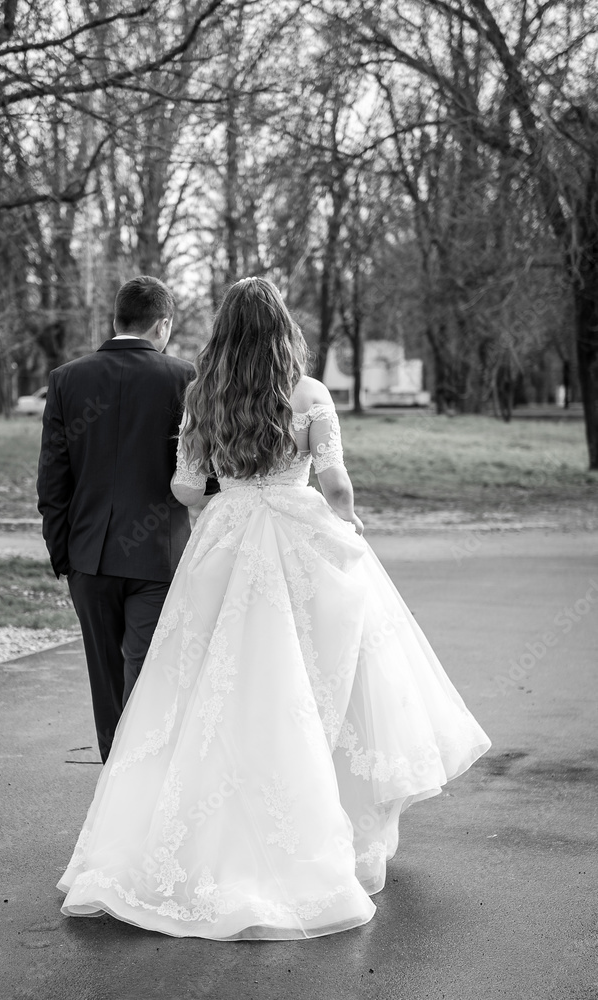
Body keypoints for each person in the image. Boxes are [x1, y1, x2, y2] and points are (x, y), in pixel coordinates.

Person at [57, 276, 490, 939]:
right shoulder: (310, 394)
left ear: (225, 330)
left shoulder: (204, 393)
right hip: (299, 536)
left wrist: (224, 495)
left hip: (227, 540)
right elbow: (336, 480)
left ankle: (200, 835)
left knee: (210, 685)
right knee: (323, 677)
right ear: (284, 326)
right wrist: (348, 523)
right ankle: (322, 823)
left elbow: (183, 485)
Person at [37, 275, 213, 764]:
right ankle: (140, 799)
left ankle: (112, 803)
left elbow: (52, 483)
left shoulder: (67, 379)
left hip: (88, 560)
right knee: (150, 681)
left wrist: (64, 556)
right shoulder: (186, 380)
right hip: (158, 558)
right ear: (163, 324)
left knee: (107, 688)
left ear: (117, 319)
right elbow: (205, 473)